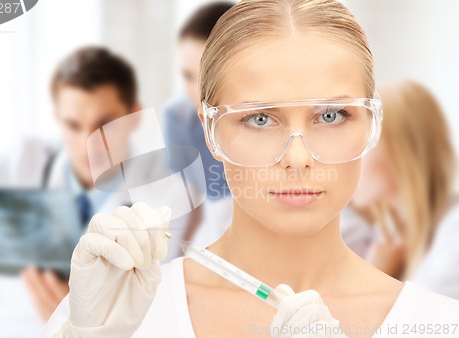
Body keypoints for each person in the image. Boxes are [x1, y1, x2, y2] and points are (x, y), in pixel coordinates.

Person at [43, 1, 459, 337]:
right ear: (210, 131)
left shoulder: (440, 324)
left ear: (372, 123)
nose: (298, 159)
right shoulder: (117, 311)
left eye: (331, 115)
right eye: (260, 119)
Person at [0, 47, 140, 333]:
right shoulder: (22, 163)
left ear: (135, 116)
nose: (87, 142)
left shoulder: (166, 202)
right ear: (57, 119)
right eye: (72, 125)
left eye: (104, 125)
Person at [342, 80, 459, 299]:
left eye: (360, 146)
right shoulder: (389, 233)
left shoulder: (454, 233)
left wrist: (377, 278)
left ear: (399, 152)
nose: (346, 161)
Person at [163, 2, 234, 248]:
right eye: (187, 76)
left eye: (206, 75)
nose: (196, 90)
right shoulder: (178, 119)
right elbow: (188, 203)